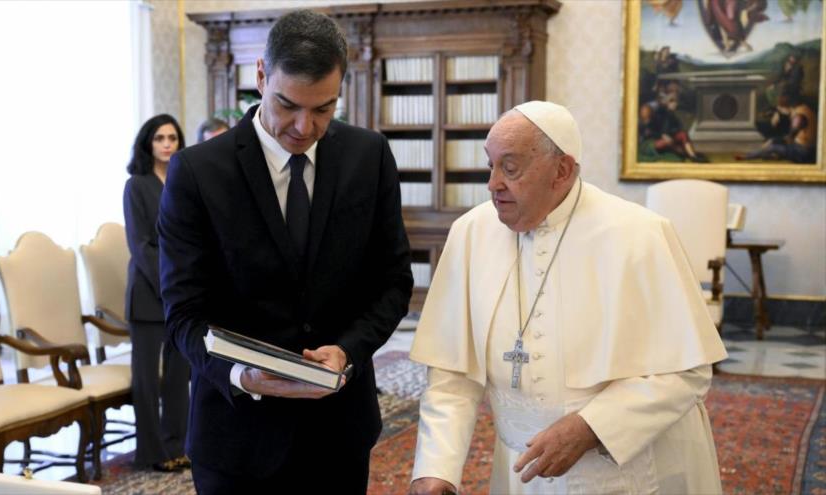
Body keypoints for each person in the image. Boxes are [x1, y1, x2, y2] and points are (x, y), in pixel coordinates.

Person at [409, 101, 727, 495]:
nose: (493, 184)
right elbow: (451, 373)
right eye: (490, 165)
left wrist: (592, 426)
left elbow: (688, 371)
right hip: (522, 475)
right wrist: (436, 470)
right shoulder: (469, 234)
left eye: (510, 168)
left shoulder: (639, 234)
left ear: (562, 171)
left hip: (623, 473)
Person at [157, 10, 412, 494]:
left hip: (338, 434)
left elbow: (393, 281)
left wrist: (349, 351)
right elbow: (183, 313)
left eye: (324, 108)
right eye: (288, 104)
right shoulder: (196, 172)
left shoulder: (369, 157)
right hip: (236, 439)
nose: (304, 126)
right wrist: (240, 374)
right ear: (260, 75)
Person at [123, 113, 191, 472]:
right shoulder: (136, 185)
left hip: (180, 293)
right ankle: (151, 452)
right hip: (149, 294)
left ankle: (176, 446)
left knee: (180, 376)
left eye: (173, 138)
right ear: (148, 143)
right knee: (148, 380)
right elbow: (140, 245)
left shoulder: (182, 181)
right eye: (160, 138)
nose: (167, 144)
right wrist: (169, 285)